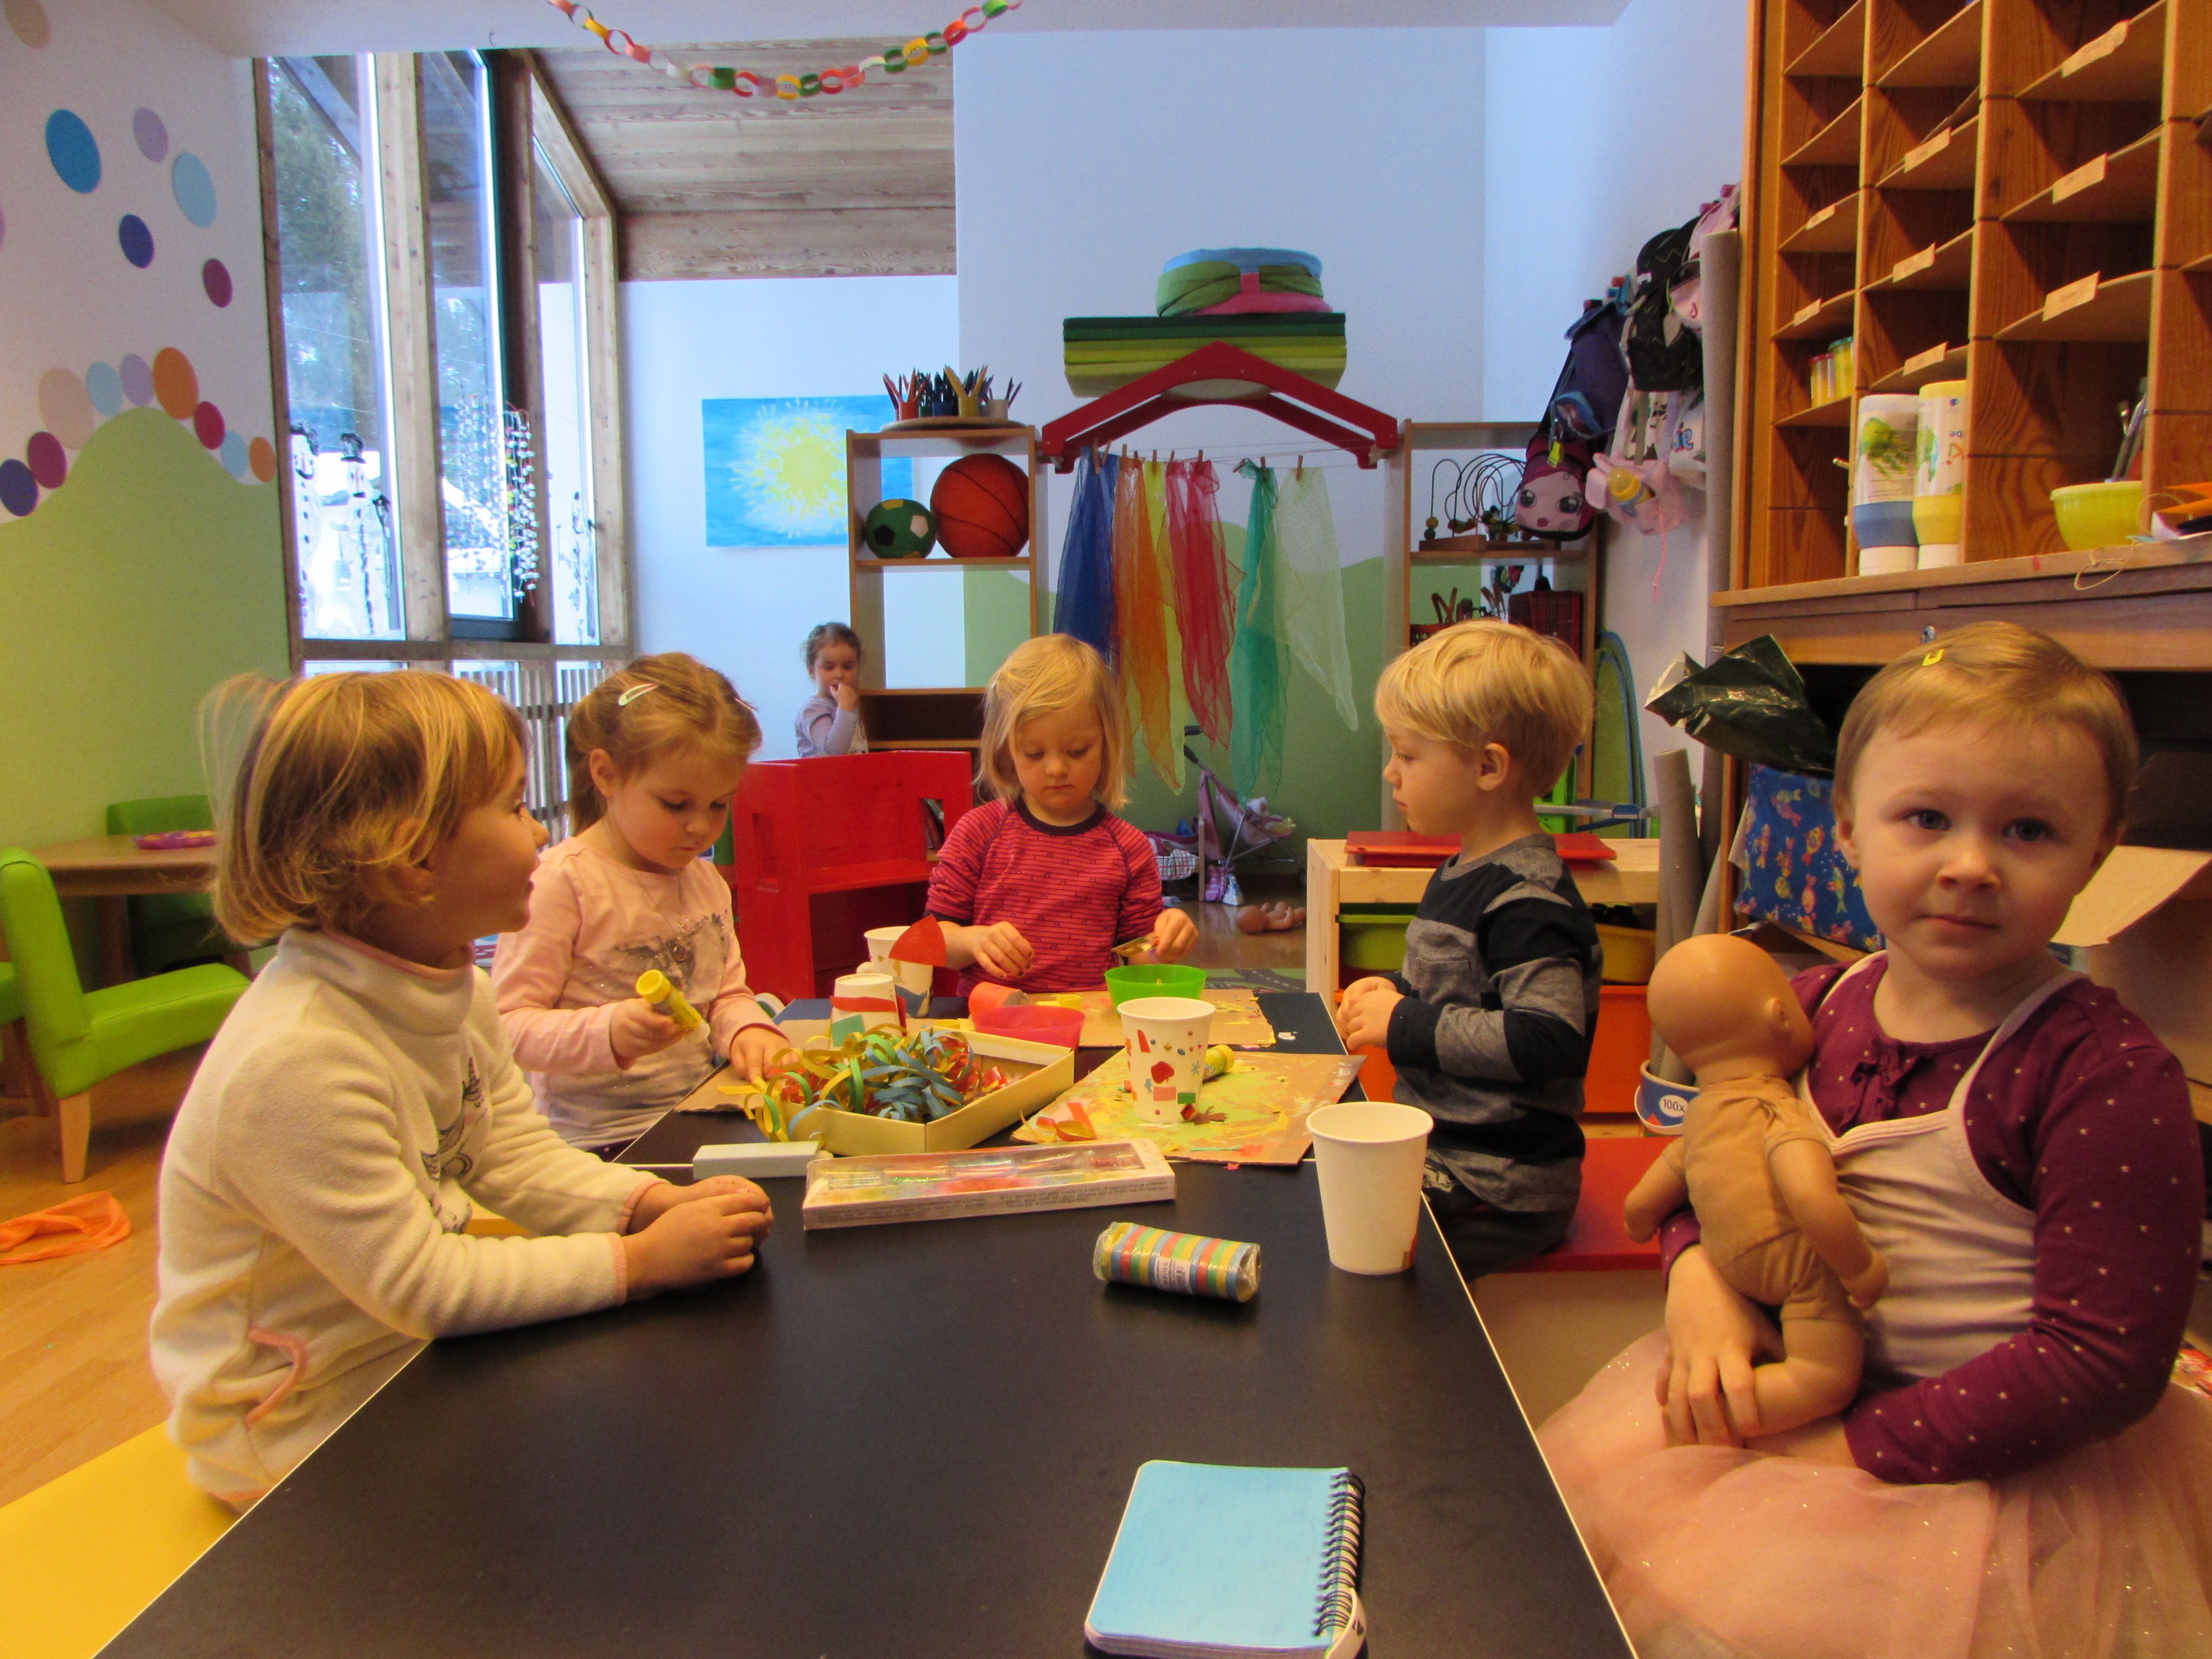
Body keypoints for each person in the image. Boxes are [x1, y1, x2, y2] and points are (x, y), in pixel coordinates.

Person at [1538, 621, 2212, 1659]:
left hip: (1986, 1479)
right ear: (1848, 828)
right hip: (1786, 1391)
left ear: (2099, 848)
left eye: (2030, 830)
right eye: (1927, 818)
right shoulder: (1807, 1006)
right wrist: (1697, 1276)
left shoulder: (2108, 1077)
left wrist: (1849, 1447)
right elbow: (1712, 1166)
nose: (1972, 866)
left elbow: (2100, 1361)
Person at [152, 671, 772, 1505]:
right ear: (409, 857)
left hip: (414, 1359)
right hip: (300, 1420)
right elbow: (426, 1284)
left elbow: (512, 1155)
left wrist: (647, 1203)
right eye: (515, 807)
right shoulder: (296, 1059)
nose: (540, 830)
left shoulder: (458, 992)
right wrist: (640, 1261)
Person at [1334, 620, 1601, 1278]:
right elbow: (1462, 989)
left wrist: (1405, 1022)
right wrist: (1395, 988)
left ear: (1488, 767)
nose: (1391, 773)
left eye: (1408, 755)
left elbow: (1547, 1040)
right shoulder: (1462, 870)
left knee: (1368, 1247)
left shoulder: (1528, 899)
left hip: (1501, 1180)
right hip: (1444, 1150)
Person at [492, 654, 786, 1151]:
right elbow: (507, 1028)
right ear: (606, 774)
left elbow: (725, 996)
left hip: (697, 1112)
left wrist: (748, 1031)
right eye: (675, 804)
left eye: (719, 804)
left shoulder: (705, 881)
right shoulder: (563, 883)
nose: (701, 826)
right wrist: (608, 1031)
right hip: (594, 1144)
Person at [927, 634, 1197, 993]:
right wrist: (974, 940)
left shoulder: (1129, 848)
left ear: (1106, 744)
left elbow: (1137, 956)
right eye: (1035, 753)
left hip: (1091, 1019)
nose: (1056, 769)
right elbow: (935, 940)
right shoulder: (979, 832)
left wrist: (1166, 942)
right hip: (993, 1018)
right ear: (1007, 751)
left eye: (1077, 750)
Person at [794, 621, 867, 758]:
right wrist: (845, 706)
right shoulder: (813, 710)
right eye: (829, 667)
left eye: (847, 667)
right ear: (812, 671)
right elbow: (833, 752)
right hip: (822, 773)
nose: (839, 675)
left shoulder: (846, 705)